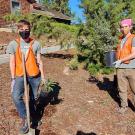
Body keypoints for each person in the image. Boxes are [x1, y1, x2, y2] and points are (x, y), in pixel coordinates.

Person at [6, 19, 45, 134]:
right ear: (18, 30)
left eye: (26, 29)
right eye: (22, 29)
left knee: (33, 98)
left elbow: (39, 61)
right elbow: (12, 62)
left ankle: (32, 117)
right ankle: (25, 118)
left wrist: (43, 76)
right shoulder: (14, 44)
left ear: (30, 30)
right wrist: (13, 79)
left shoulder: (36, 43)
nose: (24, 31)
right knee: (16, 96)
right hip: (19, 74)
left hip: (34, 75)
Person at [113, 18, 135, 114]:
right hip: (120, 68)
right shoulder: (120, 39)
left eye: (126, 27)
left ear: (130, 27)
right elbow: (118, 51)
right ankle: (124, 106)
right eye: (122, 27)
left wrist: (121, 60)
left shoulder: (133, 38)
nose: (123, 29)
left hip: (131, 68)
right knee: (122, 89)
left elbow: (134, 54)